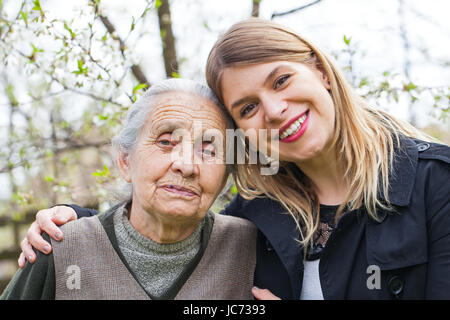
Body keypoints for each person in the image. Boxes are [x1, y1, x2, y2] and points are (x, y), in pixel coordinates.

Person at [15, 19, 450, 300]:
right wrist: (72, 223)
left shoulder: (435, 186)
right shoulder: (256, 217)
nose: (275, 110)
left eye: (281, 80)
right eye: (247, 108)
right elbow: (166, 227)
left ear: (319, 70)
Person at [1, 78, 257, 300]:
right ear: (125, 161)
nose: (187, 165)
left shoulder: (253, 248)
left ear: (225, 176)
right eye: (166, 141)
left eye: (209, 150)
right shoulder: (60, 248)